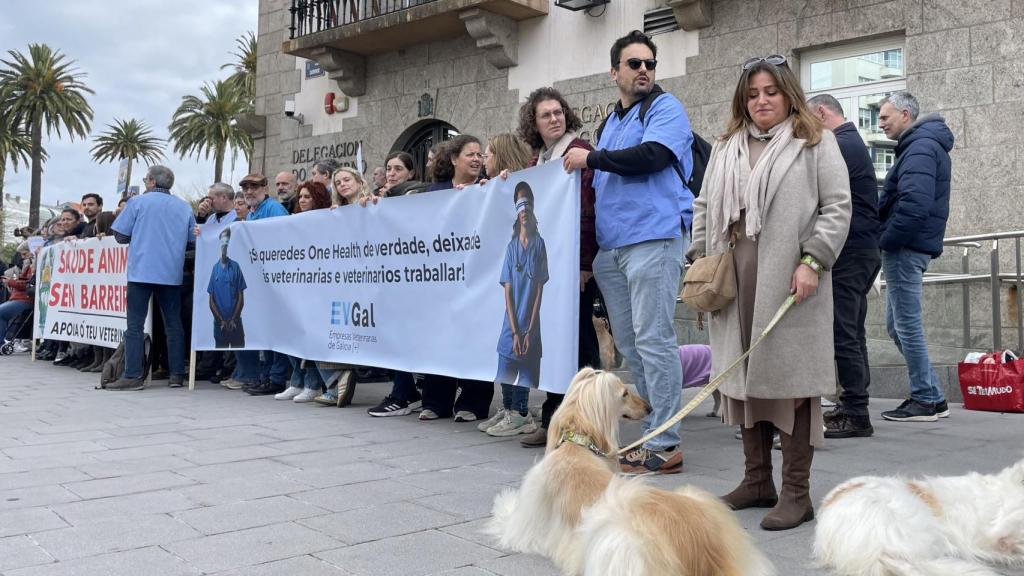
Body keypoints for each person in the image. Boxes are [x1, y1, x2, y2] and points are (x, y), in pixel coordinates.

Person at [688, 54, 851, 530]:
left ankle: (797, 493)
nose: (762, 100)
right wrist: (700, 259)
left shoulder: (815, 141)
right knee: (742, 381)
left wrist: (814, 260)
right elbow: (703, 205)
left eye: (771, 92)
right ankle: (757, 480)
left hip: (789, 278)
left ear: (787, 94)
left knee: (792, 386)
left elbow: (838, 207)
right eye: (754, 93)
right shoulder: (725, 147)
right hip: (734, 278)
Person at [563, 30, 694, 475]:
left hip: (653, 239)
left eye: (650, 64)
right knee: (633, 345)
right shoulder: (610, 124)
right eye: (634, 63)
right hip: (613, 249)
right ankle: (652, 432)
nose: (643, 70)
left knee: (654, 339)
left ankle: (666, 440)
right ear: (614, 72)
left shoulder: (665, 107)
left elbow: (653, 156)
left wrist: (591, 159)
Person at [515, 86, 602, 448]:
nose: (554, 119)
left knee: (580, 344)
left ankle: (588, 421)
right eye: (545, 115)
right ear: (534, 124)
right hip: (548, 270)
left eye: (558, 112)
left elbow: (589, 210)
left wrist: (584, 264)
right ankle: (555, 416)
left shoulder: (577, 152)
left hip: (574, 266)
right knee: (551, 343)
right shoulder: (541, 161)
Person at [876, 91, 953, 423]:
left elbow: (913, 206)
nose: (879, 123)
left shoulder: (920, 147)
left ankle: (924, 399)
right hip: (910, 246)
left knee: (906, 325)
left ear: (905, 115)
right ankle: (934, 396)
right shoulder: (919, 145)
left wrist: (886, 241)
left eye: (885, 116)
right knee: (897, 325)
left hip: (905, 248)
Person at [808, 94, 882, 438]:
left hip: (851, 250)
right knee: (854, 331)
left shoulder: (838, 143)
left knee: (844, 332)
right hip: (863, 249)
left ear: (821, 113)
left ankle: (856, 412)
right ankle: (854, 405)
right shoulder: (852, 141)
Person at [108, 165, 197, 390]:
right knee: (173, 324)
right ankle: (176, 374)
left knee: (135, 325)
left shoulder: (137, 202)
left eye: (146, 178)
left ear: (151, 182)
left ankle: (133, 375)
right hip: (171, 272)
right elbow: (191, 240)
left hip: (141, 271)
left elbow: (119, 235)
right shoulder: (184, 207)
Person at [485, 180, 547, 437]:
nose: (524, 208)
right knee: (505, 364)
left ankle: (521, 414)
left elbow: (539, 291)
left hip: (530, 320)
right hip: (511, 321)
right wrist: (515, 330)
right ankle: (508, 408)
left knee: (525, 366)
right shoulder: (511, 248)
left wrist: (529, 330)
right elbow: (508, 292)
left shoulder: (539, 245)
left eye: (527, 203)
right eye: (519, 203)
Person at [229, 173, 291, 396]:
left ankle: (276, 377)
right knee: (266, 331)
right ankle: (266, 375)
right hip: (260, 282)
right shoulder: (253, 213)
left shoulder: (273, 209)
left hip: (275, 281)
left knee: (276, 331)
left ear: (265, 187)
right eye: (245, 187)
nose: (249, 191)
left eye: (254, 187)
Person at [208, 227, 246, 349]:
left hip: (236, 323)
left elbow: (241, 296)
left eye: (227, 242)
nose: (224, 245)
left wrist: (234, 319)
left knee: (239, 355)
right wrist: (221, 320)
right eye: (222, 242)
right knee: (219, 354)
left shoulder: (235, 266)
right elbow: (211, 299)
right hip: (220, 324)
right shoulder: (215, 268)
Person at [0, 243, 33, 344]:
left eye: (24, 254)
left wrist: (10, 282)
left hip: (24, 298)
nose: (22, 257)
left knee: (1, 313)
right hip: (19, 297)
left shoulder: (32, 265)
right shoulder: (28, 265)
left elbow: (27, 285)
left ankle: (1, 342)